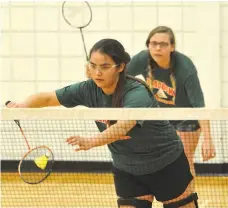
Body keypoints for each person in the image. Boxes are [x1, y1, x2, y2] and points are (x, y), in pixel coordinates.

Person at [7, 38, 199, 208]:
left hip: (166, 163)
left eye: (105, 67)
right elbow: (49, 98)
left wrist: (91, 142)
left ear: (121, 66)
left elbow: (124, 125)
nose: (97, 72)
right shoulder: (88, 89)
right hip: (127, 168)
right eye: (93, 65)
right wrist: (22, 106)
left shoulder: (136, 93)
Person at [127, 26, 216, 191]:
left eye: (163, 44)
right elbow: (119, 78)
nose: (157, 48)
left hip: (186, 117)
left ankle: (187, 198)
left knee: (184, 159)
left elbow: (199, 105)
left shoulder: (185, 67)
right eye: (153, 43)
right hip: (160, 116)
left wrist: (208, 138)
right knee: (156, 159)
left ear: (172, 47)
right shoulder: (142, 59)